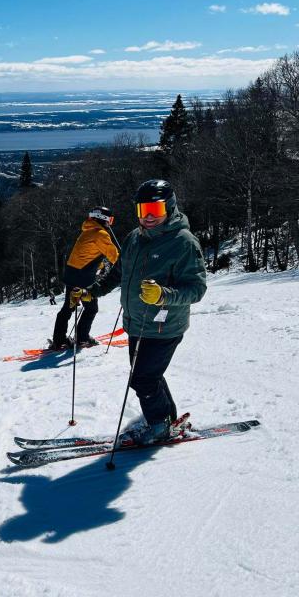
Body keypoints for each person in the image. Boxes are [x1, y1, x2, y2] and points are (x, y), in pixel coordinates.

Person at [95, 180, 207, 444]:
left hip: (165, 326)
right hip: (136, 323)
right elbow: (120, 272)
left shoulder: (183, 242)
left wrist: (163, 295)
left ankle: (158, 426)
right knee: (148, 375)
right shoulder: (135, 237)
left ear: (169, 208)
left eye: (154, 210)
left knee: (143, 379)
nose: (147, 217)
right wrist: (93, 291)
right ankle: (166, 418)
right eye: (143, 209)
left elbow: (197, 288)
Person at [51, 206, 119, 349]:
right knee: (91, 308)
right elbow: (115, 256)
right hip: (83, 277)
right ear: (104, 219)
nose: (110, 224)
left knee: (68, 308)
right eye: (110, 220)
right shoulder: (100, 234)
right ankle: (82, 338)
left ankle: (59, 339)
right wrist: (126, 266)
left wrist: (99, 267)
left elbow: (86, 255)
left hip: (72, 274)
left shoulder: (87, 232)